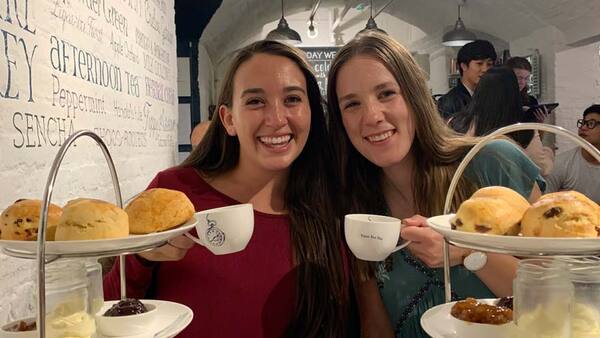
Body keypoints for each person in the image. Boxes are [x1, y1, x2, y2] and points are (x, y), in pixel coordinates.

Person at [104, 40, 352, 337]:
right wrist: (140, 257)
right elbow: (107, 309)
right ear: (228, 119)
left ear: (311, 112)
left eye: (292, 99)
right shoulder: (174, 194)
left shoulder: (330, 205)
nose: (276, 119)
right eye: (255, 101)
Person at [326, 32, 544, 337]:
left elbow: (560, 294)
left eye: (386, 93)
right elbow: (374, 325)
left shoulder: (490, 162)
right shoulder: (356, 205)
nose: (372, 116)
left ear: (414, 96)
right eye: (352, 104)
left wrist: (466, 251)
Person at [450, 66, 554, 175]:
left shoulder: (456, 122)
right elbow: (543, 168)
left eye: (526, 78)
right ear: (513, 92)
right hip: (506, 191)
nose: (523, 82)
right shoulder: (521, 127)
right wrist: (549, 152)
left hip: (463, 189)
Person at [545, 104, 600, 203]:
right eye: (583, 122)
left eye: (591, 123)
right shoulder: (561, 163)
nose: (583, 128)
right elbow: (543, 203)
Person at [437, 40, 497, 120]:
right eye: (479, 64)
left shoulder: (494, 97)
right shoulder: (448, 103)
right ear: (464, 66)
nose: (485, 69)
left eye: (489, 64)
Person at [505, 56, 548, 123]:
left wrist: (540, 121)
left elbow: (537, 132)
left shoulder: (531, 101)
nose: (523, 82)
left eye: (526, 78)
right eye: (519, 78)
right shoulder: (496, 99)